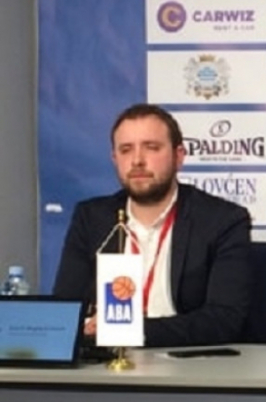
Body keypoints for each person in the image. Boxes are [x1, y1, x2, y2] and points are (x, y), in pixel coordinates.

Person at [53, 103, 252, 347]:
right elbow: (65, 310)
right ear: (115, 159)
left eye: (151, 148)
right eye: (126, 150)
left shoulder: (222, 220)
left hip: (186, 360)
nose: (137, 160)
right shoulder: (91, 218)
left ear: (179, 156)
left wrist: (130, 329)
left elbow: (225, 320)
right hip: (103, 360)